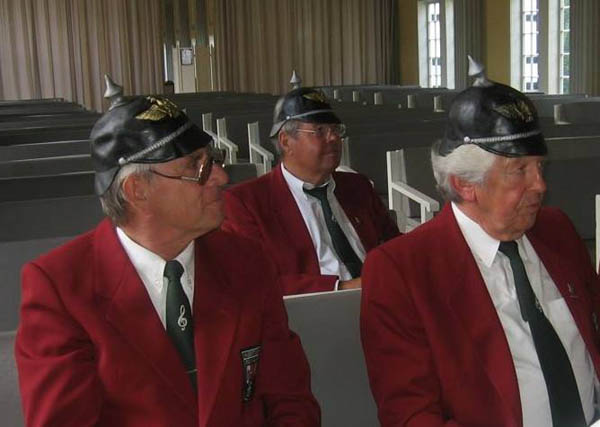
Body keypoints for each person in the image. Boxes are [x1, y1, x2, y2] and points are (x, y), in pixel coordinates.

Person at [15, 76, 320, 427]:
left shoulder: (246, 262)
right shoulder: (61, 289)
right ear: (138, 190)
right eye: (197, 167)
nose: (221, 177)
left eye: (214, 160)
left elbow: (290, 399)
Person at [360, 60, 600, 427]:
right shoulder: (403, 271)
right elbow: (411, 414)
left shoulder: (555, 230)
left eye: (539, 167)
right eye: (520, 171)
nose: (540, 184)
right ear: (465, 184)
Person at [223, 87, 399, 295]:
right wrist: (343, 288)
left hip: (382, 296)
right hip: (310, 308)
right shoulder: (247, 202)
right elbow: (255, 279)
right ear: (286, 141)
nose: (333, 138)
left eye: (336, 130)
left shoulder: (357, 186)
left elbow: (394, 244)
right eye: (320, 131)